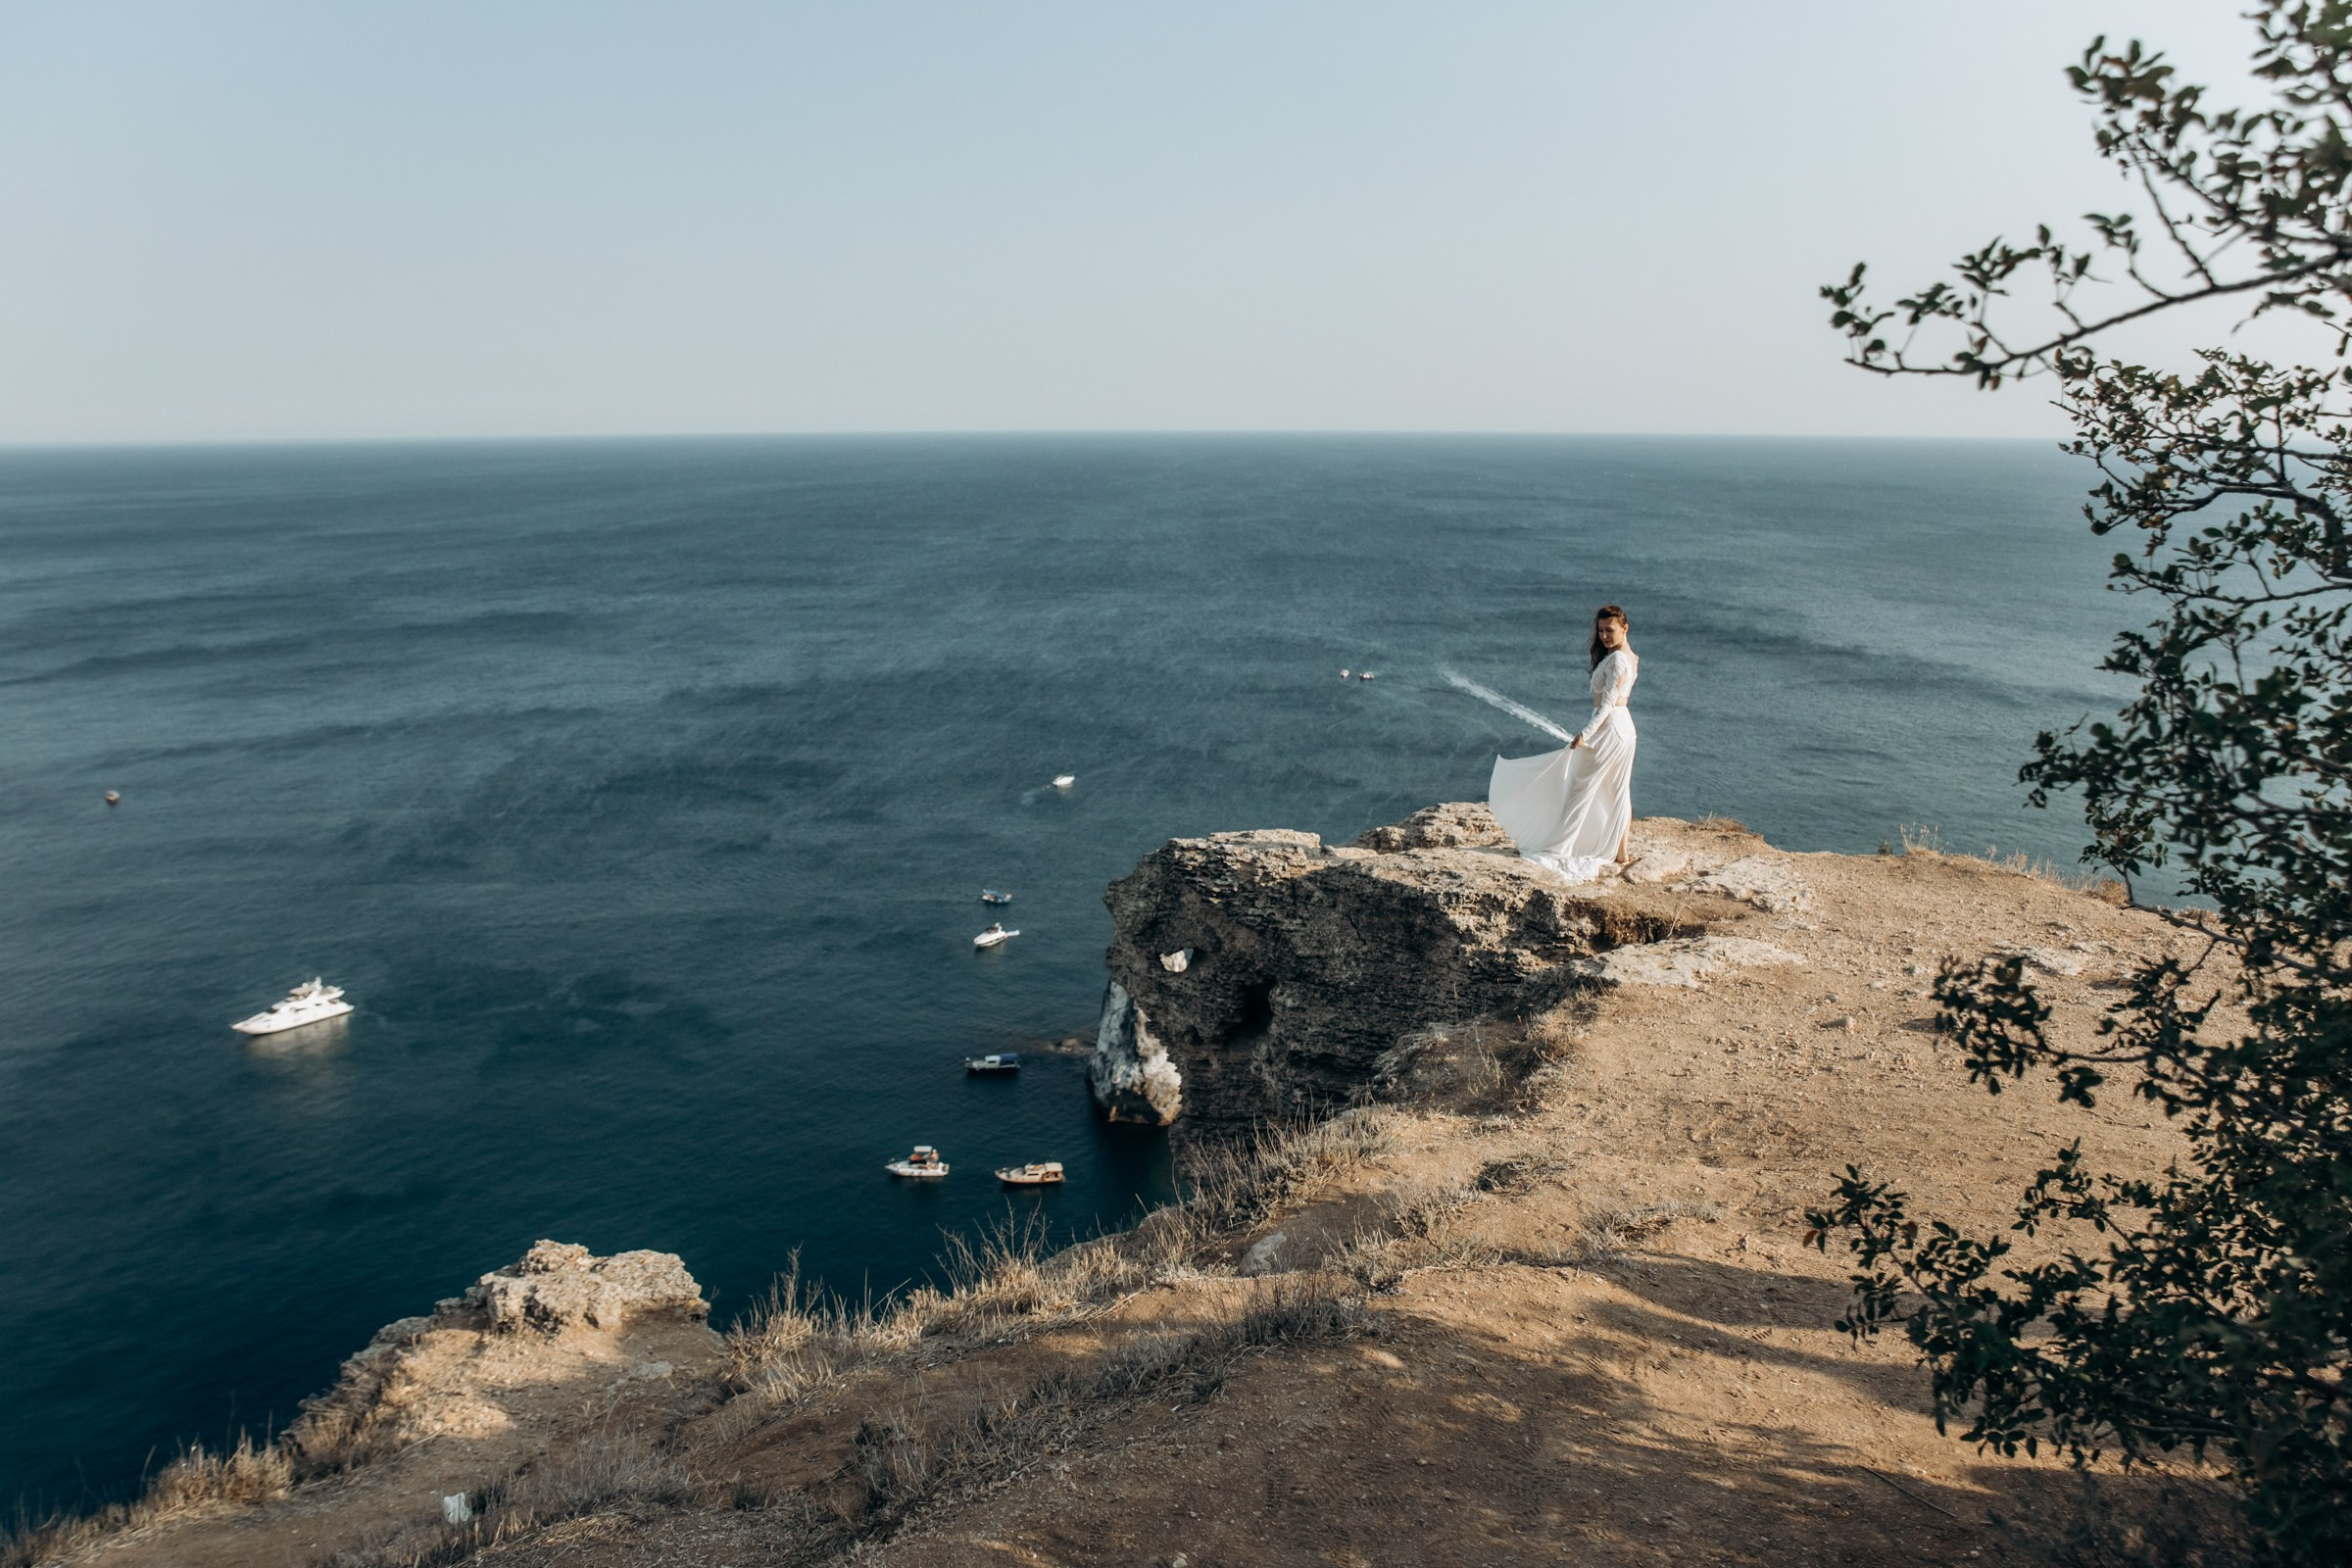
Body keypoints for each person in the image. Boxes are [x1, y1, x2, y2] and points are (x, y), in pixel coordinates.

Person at [1487, 605, 1639, 883]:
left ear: (1624, 628)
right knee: (1619, 790)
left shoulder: (1617, 660)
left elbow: (1606, 705)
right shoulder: (1630, 657)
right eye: (1601, 630)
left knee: (1579, 790)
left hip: (1608, 728)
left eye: (1610, 630)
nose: (1604, 635)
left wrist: (1586, 732)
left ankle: (1560, 849)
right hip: (1625, 727)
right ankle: (1621, 853)